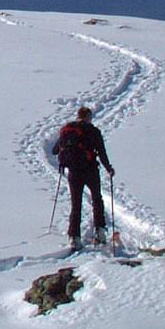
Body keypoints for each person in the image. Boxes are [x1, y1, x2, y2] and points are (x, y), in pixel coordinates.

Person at [52, 106, 114, 249]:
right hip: (90, 170)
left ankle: (74, 237)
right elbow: (102, 152)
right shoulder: (93, 131)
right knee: (97, 199)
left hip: (73, 172)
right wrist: (109, 169)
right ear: (88, 117)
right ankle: (100, 231)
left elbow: (55, 150)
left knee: (76, 203)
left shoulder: (67, 130)